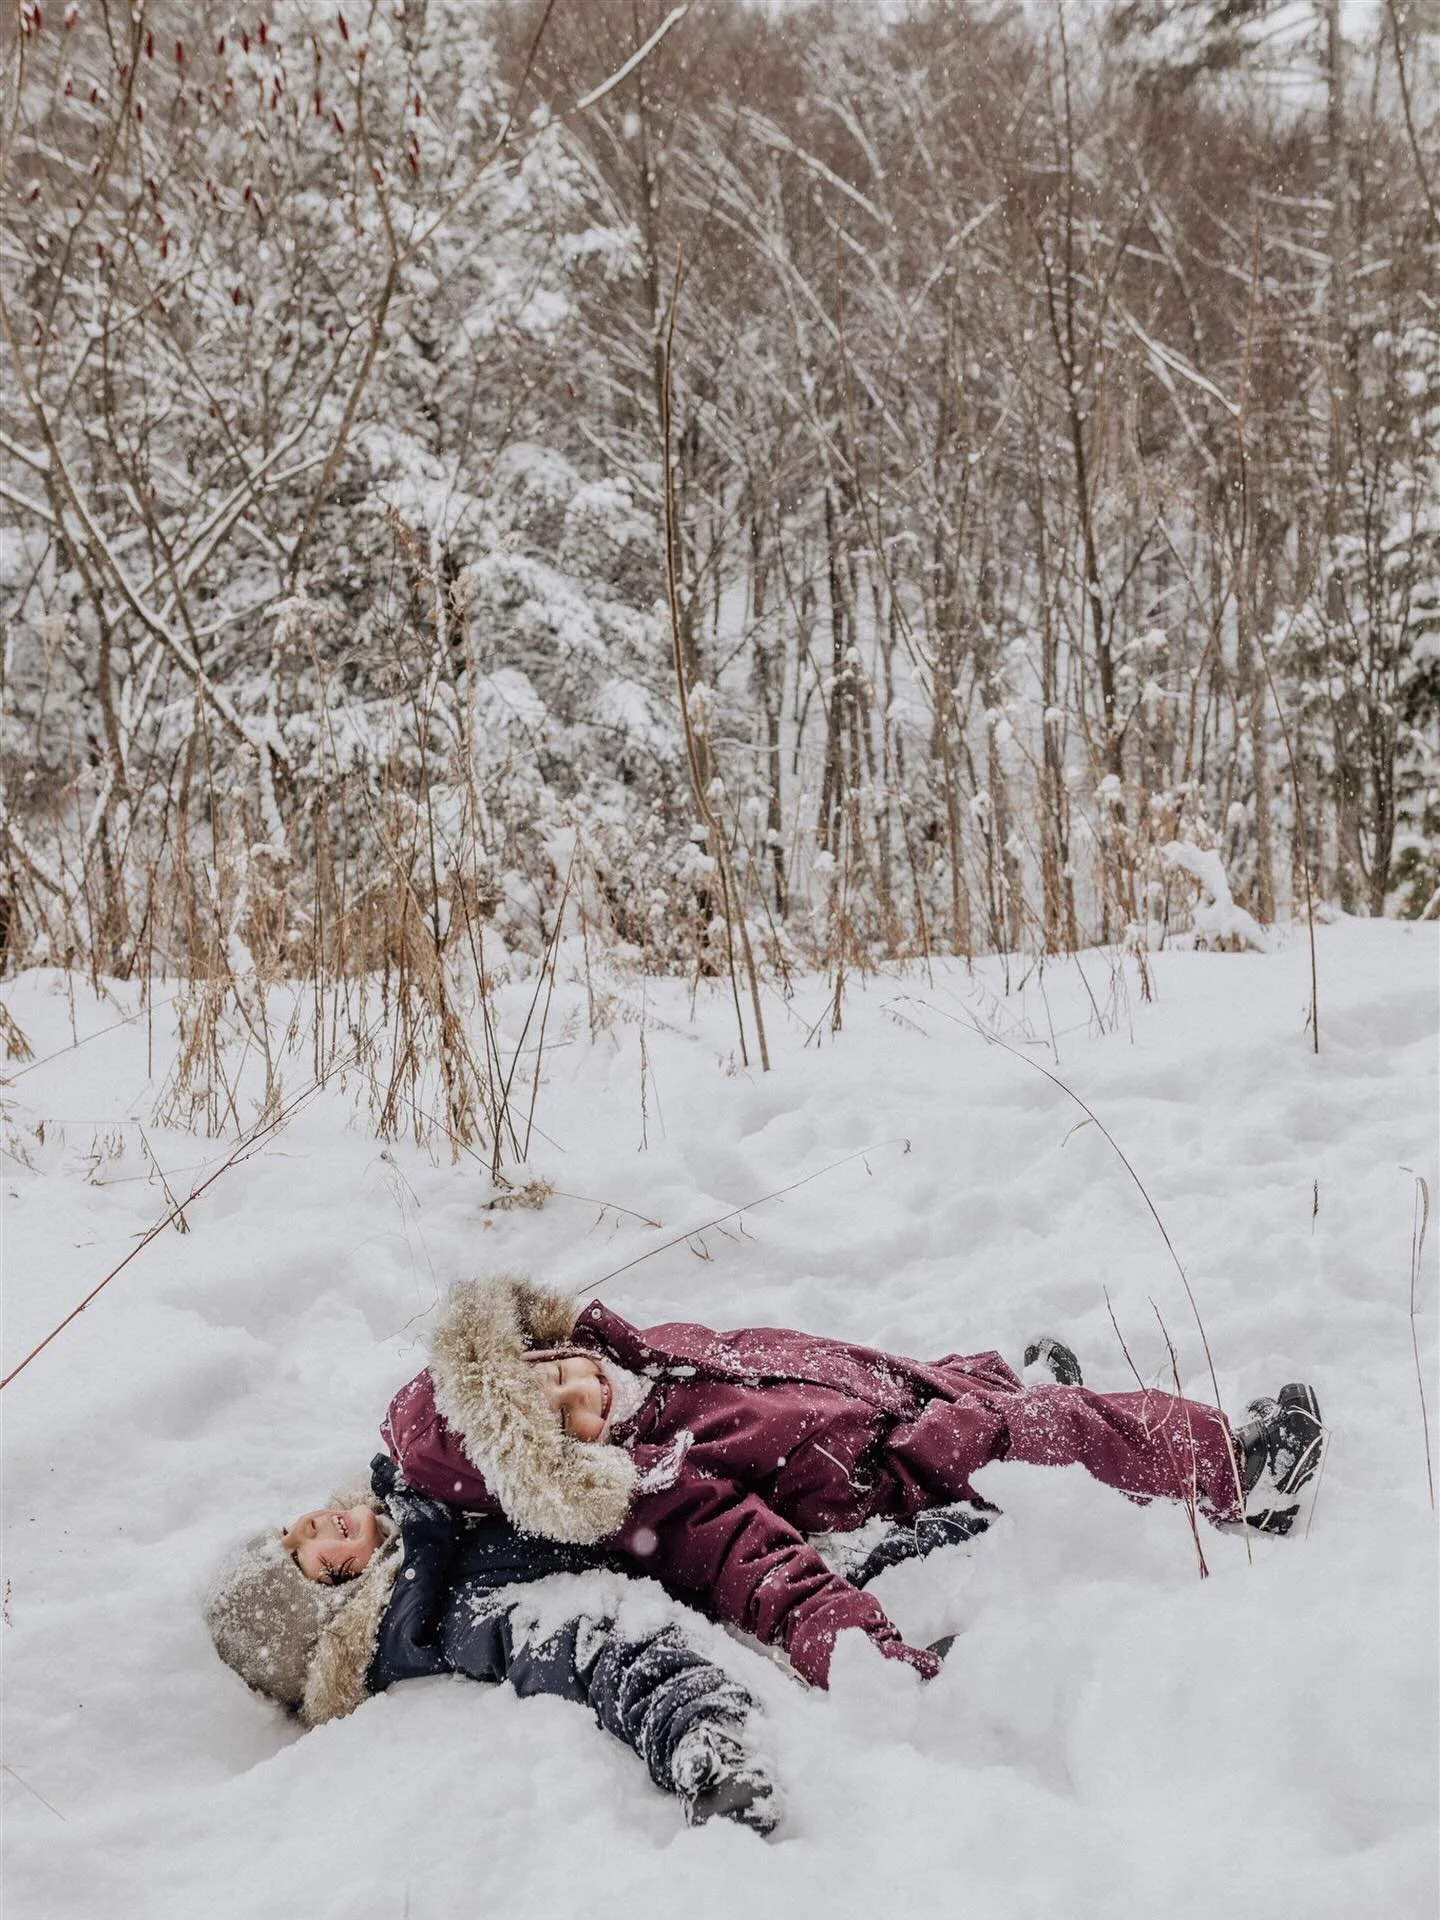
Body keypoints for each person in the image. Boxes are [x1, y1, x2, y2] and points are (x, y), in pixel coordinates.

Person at [380, 1276, 1327, 1689]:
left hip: (875, 1389)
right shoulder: (654, 1486)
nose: (582, 1389)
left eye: (554, 1374)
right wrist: (861, 1656)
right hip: (897, 1467)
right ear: (559, 1470)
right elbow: (757, 1571)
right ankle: (1240, 1474)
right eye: (564, 1421)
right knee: (1057, 1429)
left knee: (974, 1374)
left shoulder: (627, 1352)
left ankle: (1011, 1384)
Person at [204, 1454, 781, 1834]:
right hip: (683, 1540)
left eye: (289, 1529)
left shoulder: (415, 1476)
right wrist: (686, 1721)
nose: (311, 1526)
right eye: (312, 1564)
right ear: (337, 1612)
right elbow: (576, 1646)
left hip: (663, 1464)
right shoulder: (441, 1614)